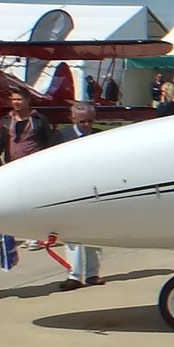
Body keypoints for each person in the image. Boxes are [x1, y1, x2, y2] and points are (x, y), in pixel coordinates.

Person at [55, 103, 104, 289]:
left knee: (95, 234)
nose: (86, 124)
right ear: (73, 118)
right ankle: (74, 275)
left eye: (90, 121)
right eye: (82, 121)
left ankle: (93, 274)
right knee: (72, 234)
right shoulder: (62, 137)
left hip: (95, 189)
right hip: (70, 189)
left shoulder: (99, 135)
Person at [0, 88, 55, 164]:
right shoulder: (6, 120)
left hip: (34, 163)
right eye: (14, 99)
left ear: (28, 100)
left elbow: (48, 142)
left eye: (19, 100)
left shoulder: (39, 119)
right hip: (12, 163)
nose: (16, 102)